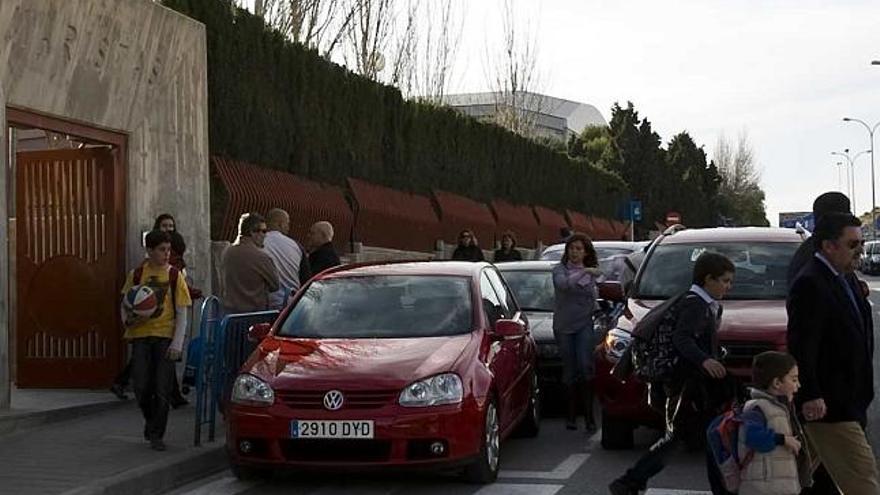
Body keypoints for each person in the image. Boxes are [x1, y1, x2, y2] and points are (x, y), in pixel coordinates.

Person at [610, 252, 736, 495]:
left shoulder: (695, 301)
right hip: (689, 381)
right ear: (708, 279)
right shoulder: (696, 304)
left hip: (688, 380)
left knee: (704, 436)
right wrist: (706, 359)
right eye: (725, 280)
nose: (728, 287)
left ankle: (632, 481)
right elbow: (682, 338)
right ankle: (631, 481)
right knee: (686, 436)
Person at [786, 212, 879, 494]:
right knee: (864, 483)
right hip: (830, 406)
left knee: (797, 478)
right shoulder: (811, 284)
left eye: (861, 244)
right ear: (828, 246)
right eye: (853, 244)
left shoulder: (844, 277)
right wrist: (811, 393)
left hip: (850, 398)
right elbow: (802, 344)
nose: (860, 251)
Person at [120, 230, 192, 451]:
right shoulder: (137, 274)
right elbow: (125, 302)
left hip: (164, 338)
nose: (166, 254)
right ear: (149, 250)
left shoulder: (174, 275)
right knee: (141, 387)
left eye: (168, 250)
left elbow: (182, 311)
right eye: (161, 250)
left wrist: (177, 343)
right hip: (140, 337)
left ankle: (156, 434)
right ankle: (151, 421)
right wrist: (127, 321)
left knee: (162, 389)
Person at [738, 351, 812, 495]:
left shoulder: (782, 408)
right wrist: (783, 440)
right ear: (777, 383)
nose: (799, 385)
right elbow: (753, 437)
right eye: (794, 379)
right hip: (762, 488)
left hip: (778, 486)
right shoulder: (757, 408)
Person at [552, 233, 602, 431]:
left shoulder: (592, 273)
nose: (575, 252)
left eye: (579, 249)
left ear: (586, 252)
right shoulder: (559, 270)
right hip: (564, 326)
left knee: (585, 365)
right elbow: (564, 285)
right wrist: (585, 272)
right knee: (569, 370)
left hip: (584, 324)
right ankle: (571, 415)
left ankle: (589, 417)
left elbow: (594, 294)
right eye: (572, 248)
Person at [221, 212, 280, 313]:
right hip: (253, 316)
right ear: (253, 232)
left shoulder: (226, 252)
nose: (265, 236)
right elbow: (275, 285)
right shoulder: (262, 257)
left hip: (228, 317)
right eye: (264, 231)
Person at [263, 208, 312, 309]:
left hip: (266, 304)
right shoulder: (296, 246)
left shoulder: (259, 243)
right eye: (287, 224)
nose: (289, 228)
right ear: (280, 224)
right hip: (290, 305)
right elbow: (306, 278)